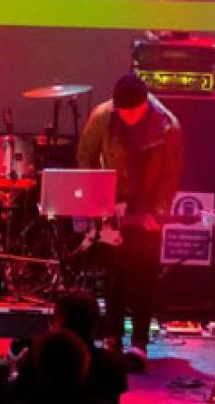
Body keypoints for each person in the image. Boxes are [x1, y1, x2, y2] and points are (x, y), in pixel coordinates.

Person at [75, 74, 183, 372]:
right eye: (122, 111)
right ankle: (112, 336)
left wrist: (159, 211)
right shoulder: (103, 116)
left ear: (145, 104)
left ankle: (140, 341)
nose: (128, 117)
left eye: (133, 112)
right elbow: (85, 156)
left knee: (145, 275)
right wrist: (97, 199)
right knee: (114, 274)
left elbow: (170, 174)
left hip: (146, 206)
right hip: (112, 203)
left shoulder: (167, 126)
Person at [9, 292, 128, 404]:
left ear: (58, 321)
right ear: (96, 323)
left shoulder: (38, 359)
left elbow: (17, 395)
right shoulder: (113, 363)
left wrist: (14, 372)